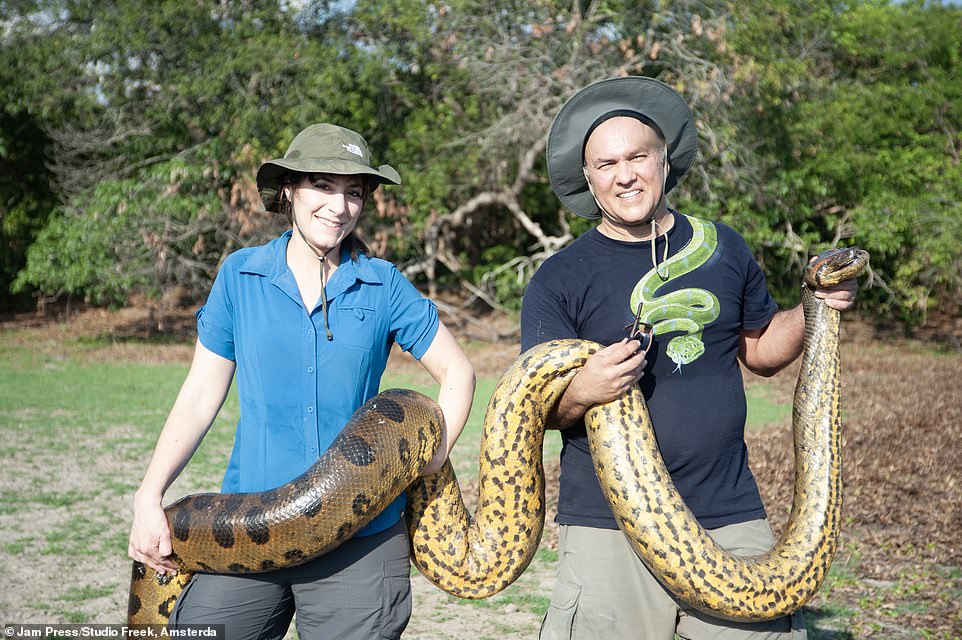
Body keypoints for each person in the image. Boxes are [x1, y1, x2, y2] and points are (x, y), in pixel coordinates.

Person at [521, 77, 859, 639]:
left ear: (664, 160)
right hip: (610, 528)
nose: (624, 174)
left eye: (637, 156)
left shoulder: (723, 246)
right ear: (588, 179)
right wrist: (584, 389)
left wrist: (815, 306)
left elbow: (762, 350)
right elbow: (537, 410)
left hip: (727, 510)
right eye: (606, 164)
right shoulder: (559, 277)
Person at [128, 123, 476, 640]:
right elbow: (201, 394)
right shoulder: (239, 276)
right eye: (322, 186)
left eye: (353, 192)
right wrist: (149, 495)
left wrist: (431, 458)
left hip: (360, 537)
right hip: (248, 525)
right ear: (288, 189)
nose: (339, 207)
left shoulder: (383, 284)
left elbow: (458, 372)